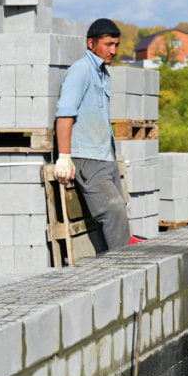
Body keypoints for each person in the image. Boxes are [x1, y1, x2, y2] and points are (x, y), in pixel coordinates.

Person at [54, 18, 131, 252]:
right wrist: (64, 156)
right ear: (91, 43)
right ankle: (123, 268)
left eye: (116, 45)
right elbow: (65, 115)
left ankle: (111, 266)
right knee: (113, 212)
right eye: (108, 44)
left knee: (118, 214)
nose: (113, 50)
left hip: (105, 156)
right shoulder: (81, 71)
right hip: (87, 158)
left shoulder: (102, 73)